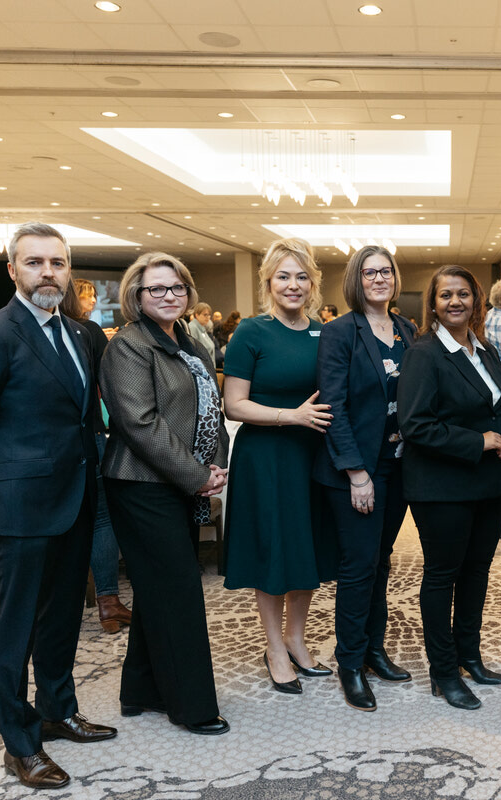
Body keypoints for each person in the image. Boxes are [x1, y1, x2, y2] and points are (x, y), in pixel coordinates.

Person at [0, 222, 116, 790]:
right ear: (13, 270)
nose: (48, 273)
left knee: (63, 617)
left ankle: (57, 710)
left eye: (57, 263)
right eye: (35, 262)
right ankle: (20, 743)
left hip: (75, 498)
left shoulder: (81, 333)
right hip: (20, 506)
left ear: (69, 271)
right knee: (15, 629)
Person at [99, 252, 230, 736]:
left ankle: (140, 690)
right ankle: (191, 706)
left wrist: (215, 465)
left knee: (158, 590)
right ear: (136, 296)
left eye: (177, 287)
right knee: (178, 592)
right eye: (156, 288)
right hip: (140, 485)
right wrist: (196, 475)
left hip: (180, 482)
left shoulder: (188, 341)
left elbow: (210, 406)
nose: (169, 295)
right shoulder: (128, 346)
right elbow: (140, 423)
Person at [398, 265, 501, 711]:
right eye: (445, 295)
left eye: (463, 294)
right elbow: (415, 424)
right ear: (432, 304)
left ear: (476, 300)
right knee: (442, 576)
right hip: (440, 485)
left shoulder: (485, 349)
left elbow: (498, 407)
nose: (455, 302)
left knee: (477, 572)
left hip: (486, 482)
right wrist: (478, 441)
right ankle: (443, 672)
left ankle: (470, 656)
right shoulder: (424, 353)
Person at [223, 238, 337, 695]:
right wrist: (291, 416)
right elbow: (234, 404)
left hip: (312, 454)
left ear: (313, 283)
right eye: (284, 276)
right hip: (266, 456)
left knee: (305, 549)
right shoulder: (251, 332)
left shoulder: (324, 333)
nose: (293, 285)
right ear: (268, 281)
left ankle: (295, 638)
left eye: (302, 276)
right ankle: (274, 647)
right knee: (273, 550)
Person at [315, 244, 417, 712]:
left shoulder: (406, 329)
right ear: (356, 279)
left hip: (399, 464)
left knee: (381, 560)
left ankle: (375, 650)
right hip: (358, 468)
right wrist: (357, 473)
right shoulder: (339, 331)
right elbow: (332, 405)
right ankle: (351, 663)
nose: (379, 278)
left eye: (386, 271)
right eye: (369, 272)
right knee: (358, 567)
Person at [59, 279, 132, 634]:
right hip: (91, 436)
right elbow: (110, 388)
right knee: (102, 518)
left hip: (47, 448)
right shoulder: (89, 333)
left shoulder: (34, 332)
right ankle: (108, 603)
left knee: (61, 520)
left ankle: (62, 602)